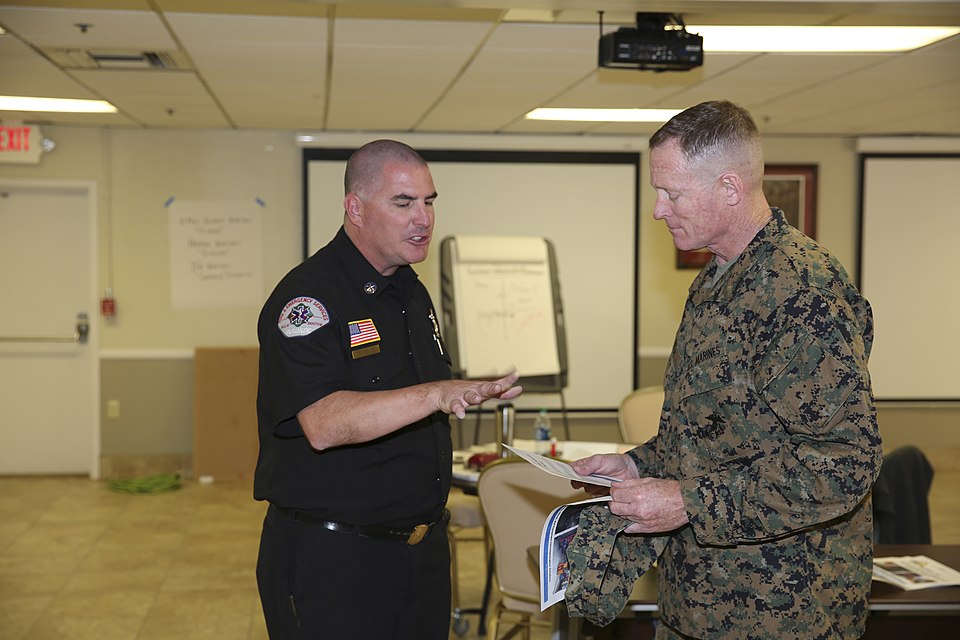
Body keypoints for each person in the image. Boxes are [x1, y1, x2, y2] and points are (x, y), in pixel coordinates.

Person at [570, 101, 882, 639]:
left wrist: (687, 501)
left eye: (672, 192)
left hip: (783, 610)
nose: (658, 210)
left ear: (730, 189)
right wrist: (640, 466)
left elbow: (845, 462)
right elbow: (717, 432)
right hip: (703, 598)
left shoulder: (800, 291)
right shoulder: (718, 279)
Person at [254, 139, 522, 639]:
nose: (423, 218)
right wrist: (438, 394)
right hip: (335, 561)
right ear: (355, 208)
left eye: (429, 201)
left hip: (420, 554)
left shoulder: (409, 290)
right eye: (403, 203)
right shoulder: (308, 299)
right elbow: (324, 423)